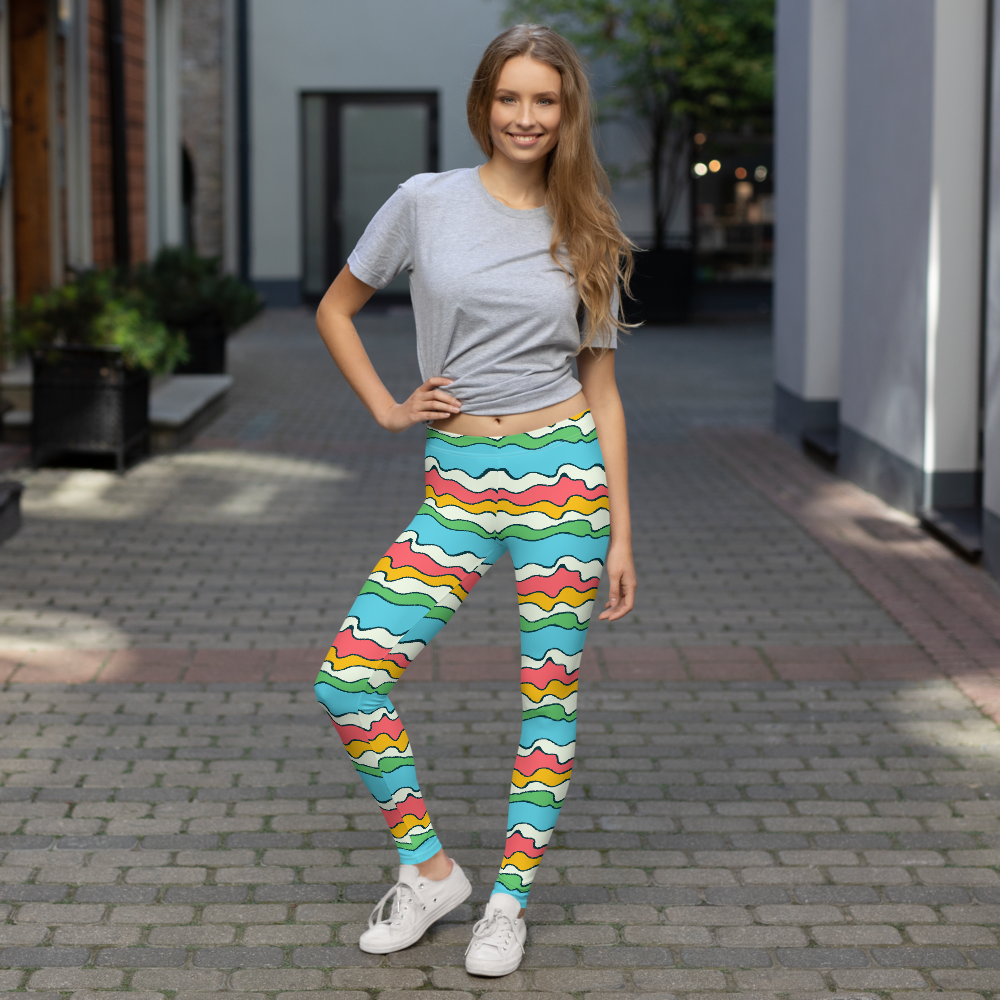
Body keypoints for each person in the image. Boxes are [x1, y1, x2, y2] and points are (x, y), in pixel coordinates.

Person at [313, 23, 637, 978]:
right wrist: (388, 407)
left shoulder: (588, 224)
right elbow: (336, 306)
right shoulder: (426, 202)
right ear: (483, 103)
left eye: (545, 100)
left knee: (548, 697)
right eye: (510, 98)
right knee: (349, 677)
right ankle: (431, 872)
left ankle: (509, 903)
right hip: (456, 479)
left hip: (564, 481)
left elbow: (604, 390)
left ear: (567, 112)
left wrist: (622, 532)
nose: (525, 117)